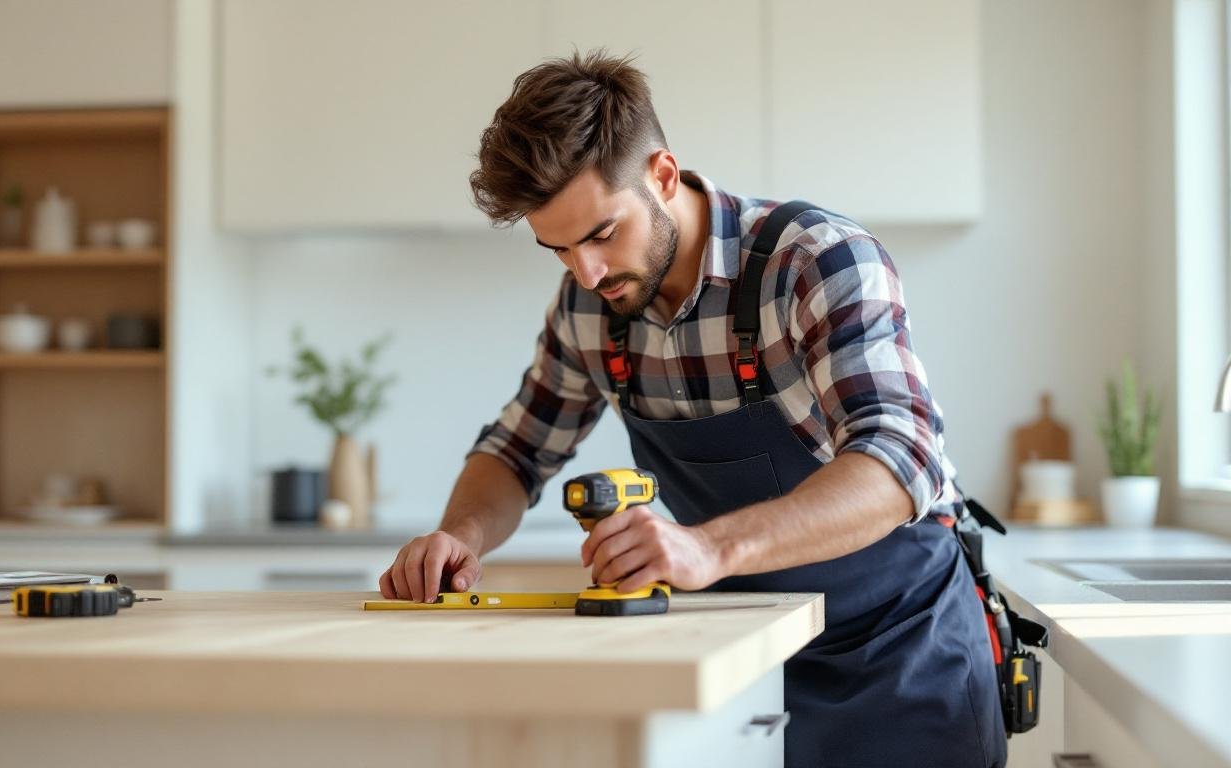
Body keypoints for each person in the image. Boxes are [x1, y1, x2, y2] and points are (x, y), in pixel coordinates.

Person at [379, 50, 1005, 768]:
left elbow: (901, 457)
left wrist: (710, 547)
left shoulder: (816, 261)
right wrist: (460, 535)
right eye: (556, 248)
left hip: (901, 659)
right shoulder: (590, 305)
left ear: (663, 176)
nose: (586, 272)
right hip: (739, 664)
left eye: (601, 234)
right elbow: (518, 451)